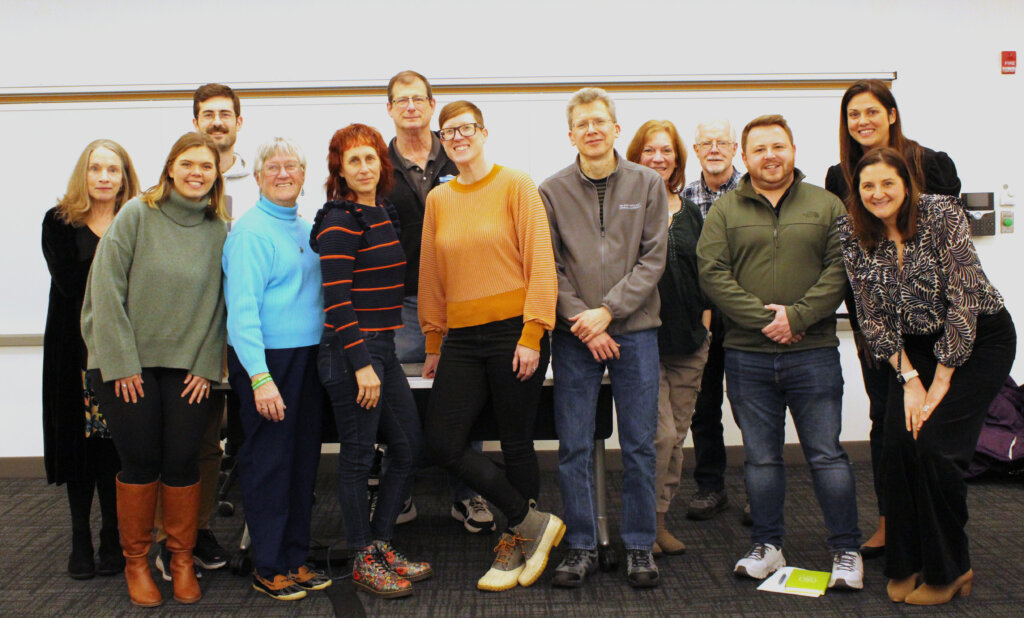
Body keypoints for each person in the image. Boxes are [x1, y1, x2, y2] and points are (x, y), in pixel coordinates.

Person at [838, 147, 1015, 605]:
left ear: (907, 185)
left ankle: (950, 568)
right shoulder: (852, 231)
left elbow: (964, 301)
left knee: (937, 450)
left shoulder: (941, 214)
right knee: (896, 446)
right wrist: (911, 382)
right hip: (912, 350)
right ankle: (906, 561)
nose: (878, 194)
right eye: (867, 186)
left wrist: (938, 384)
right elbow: (871, 317)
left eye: (887, 183)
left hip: (978, 339)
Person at [696, 115, 863, 589]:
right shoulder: (726, 209)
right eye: (760, 149)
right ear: (744, 157)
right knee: (761, 458)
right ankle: (768, 544)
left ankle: (846, 551)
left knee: (828, 456)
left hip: (812, 353)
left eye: (779, 146)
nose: (771, 155)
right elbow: (712, 273)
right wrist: (766, 318)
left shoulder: (827, 205)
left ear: (793, 150)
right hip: (747, 356)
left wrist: (799, 316)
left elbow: (839, 269)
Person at [420, 101, 563, 592]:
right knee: (442, 441)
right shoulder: (439, 199)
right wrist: (434, 339)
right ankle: (530, 521)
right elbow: (432, 274)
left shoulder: (516, 184)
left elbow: (541, 263)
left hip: (514, 332)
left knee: (516, 441)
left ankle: (514, 543)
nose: (458, 137)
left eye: (467, 128)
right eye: (449, 131)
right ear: (441, 141)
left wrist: (533, 332)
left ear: (483, 132)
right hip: (460, 338)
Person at [81, 132, 228, 607]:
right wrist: (122, 363)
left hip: (189, 369)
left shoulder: (218, 228)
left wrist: (206, 366)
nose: (196, 173)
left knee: (183, 460)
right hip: (127, 365)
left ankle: (182, 560)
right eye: (187, 164)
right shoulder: (136, 215)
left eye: (205, 166)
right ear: (169, 168)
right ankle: (137, 563)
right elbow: (105, 292)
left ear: (215, 174)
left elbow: (220, 306)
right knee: (140, 461)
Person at [825, 79, 961, 559]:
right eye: (852, 115)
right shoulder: (839, 177)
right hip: (878, 325)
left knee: (932, 426)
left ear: (892, 113)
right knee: (886, 422)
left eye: (870, 111)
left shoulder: (930, 164)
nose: (862, 122)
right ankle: (891, 523)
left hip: (936, 325)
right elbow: (848, 257)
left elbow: (950, 250)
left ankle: (937, 527)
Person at [539, 88, 666, 589]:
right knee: (572, 446)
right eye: (582, 124)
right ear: (570, 135)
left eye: (600, 121)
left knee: (639, 445)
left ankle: (638, 546)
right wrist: (584, 322)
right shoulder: (550, 190)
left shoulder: (649, 183)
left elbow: (652, 259)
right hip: (575, 338)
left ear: (616, 128)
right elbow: (550, 266)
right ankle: (582, 547)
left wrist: (608, 312)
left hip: (635, 332)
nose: (592, 130)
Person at [313, 123, 431, 599]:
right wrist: (362, 363)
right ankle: (362, 556)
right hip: (350, 354)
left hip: (382, 348)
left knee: (409, 448)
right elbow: (337, 300)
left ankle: (380, 543)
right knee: (359, 458)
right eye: (353, 160)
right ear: (340, 169)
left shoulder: (382, 211)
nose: (364, 167)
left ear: (382, 164)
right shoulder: (340, 220)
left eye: (371, 158)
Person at [222, 137, 331, 601]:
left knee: (303, 463)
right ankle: (269, 563)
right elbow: (241, 311)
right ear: (259, 177)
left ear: (304, 176)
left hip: (307, 360)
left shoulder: (306, 229)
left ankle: (295, 558)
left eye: (292, 166)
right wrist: (260, 377)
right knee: (269, 463)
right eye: (274, 167)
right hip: (268, 364)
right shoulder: (250, 232)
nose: (284, 173)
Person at [384, 70, 493, 533]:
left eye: (418, 99)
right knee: (401, 403)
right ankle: (400, 491)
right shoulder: (377, 164)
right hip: (401, 303)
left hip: (465, 302)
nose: (411, 107)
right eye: (401, 100)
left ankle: (468, 495)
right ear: (389, 109)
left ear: (432, 106)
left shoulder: (457, 151)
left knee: (469, 398)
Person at [156, 83, 254, 578]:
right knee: (190, 437)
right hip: (192, 332)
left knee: (217, 444)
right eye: (207, 114)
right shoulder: (177, 181)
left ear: (240, 121)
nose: (217, 122)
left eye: (225, 114)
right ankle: (178, 537)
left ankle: (201, 528)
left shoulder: (259, 176)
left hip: (246, 328)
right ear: (195, 121)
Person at [43, 139, 140, 580]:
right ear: (84, 174)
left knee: (114, 450)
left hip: (121, 350)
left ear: (125, 178)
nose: (104, 177)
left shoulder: (137, 222)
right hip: (73, 351)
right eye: (96, 169)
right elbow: (71, 283)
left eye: (113, 170)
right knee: (78, 451)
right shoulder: (59, 222)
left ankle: (111, 536)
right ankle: (80, 537)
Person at [625, 120, 710, 556]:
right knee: (656, 437)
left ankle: (658, 521)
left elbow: (706, 270)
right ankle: (641, 524)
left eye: (667, 151)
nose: (658, 158)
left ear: (677, 158)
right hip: (643, 344)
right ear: (636, 155)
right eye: (649, 151)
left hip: (690, 342)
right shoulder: (624, 207)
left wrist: (707, 323)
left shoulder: (690, 208)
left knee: (676, 437)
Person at [681, 119, 744, 523]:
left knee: (749, 405)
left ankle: (761, 491)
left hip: (742, 313)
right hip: (699, 315)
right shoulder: (682, 198)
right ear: (697, 149)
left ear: (735, 148)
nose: (715, 149)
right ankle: (710, 487)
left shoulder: (754, 193)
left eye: (722, 142)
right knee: (703, 407)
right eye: (707, 143)